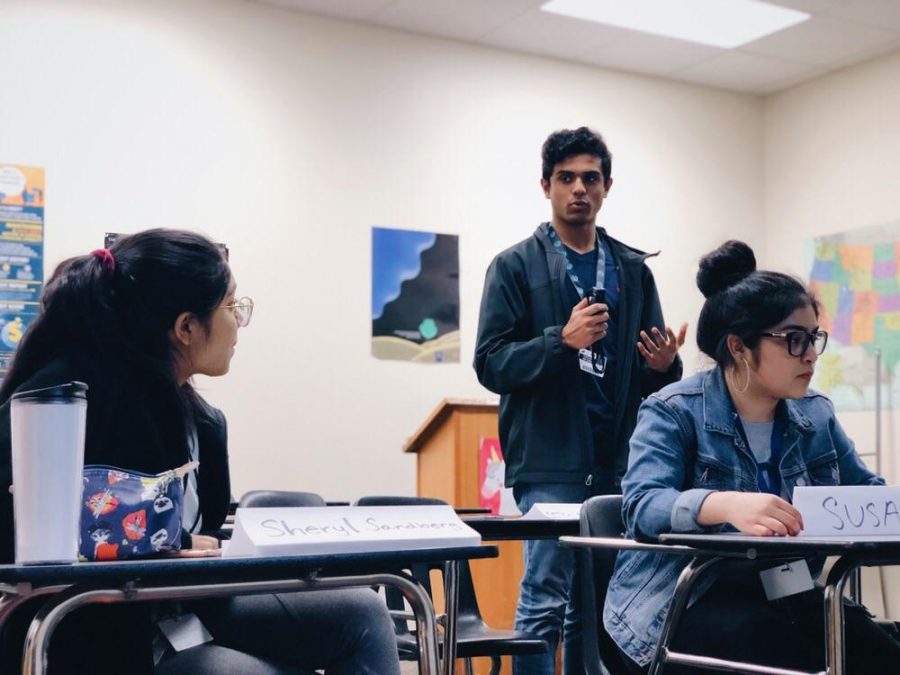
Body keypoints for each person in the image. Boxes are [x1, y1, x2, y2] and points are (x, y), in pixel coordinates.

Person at [0, 229, 401, 675]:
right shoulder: (62, 399)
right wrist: (155, 548)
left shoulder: (200, 421)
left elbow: (199, 534)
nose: (239, 323)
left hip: (180, 607)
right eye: (232, 306)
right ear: (187, 327)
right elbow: (28, 532)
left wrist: (191, 550)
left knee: (363, 612)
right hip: (95, 625)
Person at [604, 240, 900, 674]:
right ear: (739, 347)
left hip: (783, 594)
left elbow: (866, 493)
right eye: (794, 341)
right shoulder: (674, 409)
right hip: (679, 604)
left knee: (879, 652)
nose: (811, 356)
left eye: (814, 338)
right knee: (781, 651)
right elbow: (642, 506)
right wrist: (723, 504)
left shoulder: (815, 414)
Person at [474, 126, 685, 674]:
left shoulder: (633, 271)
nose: (579, 189)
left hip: (617, 458)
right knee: (544, 594)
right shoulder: (515, 266)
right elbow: (490, 363)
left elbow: (650, 375)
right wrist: (559, 342)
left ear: (607, 186)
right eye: (566, 178)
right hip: (548, 458)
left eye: (590, 178)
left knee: (594, 604)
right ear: (545, 185)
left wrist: (665, 368)